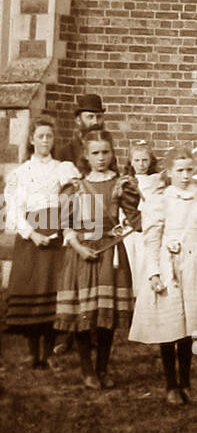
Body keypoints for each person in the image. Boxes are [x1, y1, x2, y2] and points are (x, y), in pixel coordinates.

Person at [128, 149, 197, 405]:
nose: (185, 175)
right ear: (169, 173)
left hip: (193, 266)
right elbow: (151, 239)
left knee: (190, 328)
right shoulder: (160, 199)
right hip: (167, 265)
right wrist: (154, 272)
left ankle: (186, 383)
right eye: (179, 170)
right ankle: (171, 384)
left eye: (189, 170)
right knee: (169, 326)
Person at [54, 130, 135, 389]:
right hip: (82, 253)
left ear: (112, 154)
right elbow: (65, 225)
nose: (101, 158)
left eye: (106, 152)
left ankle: (102, 368)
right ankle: (87, 370)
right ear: (86, 156)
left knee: (105, 314)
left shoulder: (121, 184)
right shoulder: (75, 186)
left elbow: (137, 219)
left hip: (110, 252)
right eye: (95, 153)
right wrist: (78, 247)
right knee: (84, 313)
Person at [3, 116, 82, 368]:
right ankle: (32, 353)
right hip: (30, 238)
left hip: (56, 235)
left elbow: (74, 197)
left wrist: (62, 226)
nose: (45, 141)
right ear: (31, 140)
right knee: (31, 289)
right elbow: (14, 210)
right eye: (41, 136)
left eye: (49, 136)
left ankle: (48, 354)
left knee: (52, 290)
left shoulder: (63, 168)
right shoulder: (20, 173)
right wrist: (32, 234)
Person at [119, 140, 165, 286]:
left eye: (145, 160)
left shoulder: (157, 180)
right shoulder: (126, 182)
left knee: (147, 261)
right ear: (131, 162)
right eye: (137, 160)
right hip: (131, 230)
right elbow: (122, 205)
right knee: (133, 263)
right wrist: (124, 218)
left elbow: (157, 203)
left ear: (151, 161)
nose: (141, 164)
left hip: (149, 226)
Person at [54, 93, 108, 174]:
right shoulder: (66, 152)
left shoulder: (106, 150)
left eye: (99, 117)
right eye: (90, 117)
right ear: (78, 120)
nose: (95, 122)